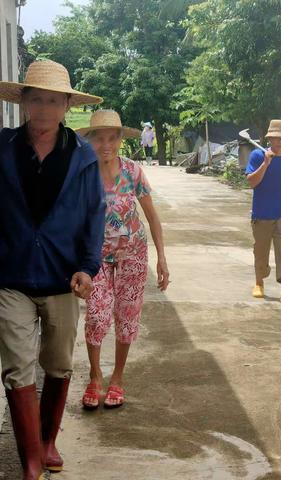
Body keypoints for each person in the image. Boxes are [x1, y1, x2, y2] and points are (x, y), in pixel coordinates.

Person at [0, 59, 104, 479]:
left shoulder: (82, 157)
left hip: (64, 278)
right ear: (24, 102)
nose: (44, 109)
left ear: (66, 106)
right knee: (17, 363)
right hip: (10, 276)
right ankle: (30, 463)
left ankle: (47, 440)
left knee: (58, 361)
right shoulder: (3, 148)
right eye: (36, 99)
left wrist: (88, 267)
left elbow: (93, 216)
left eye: (53, 101)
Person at [77, 110, 169, 409]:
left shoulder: (132, 172)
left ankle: (117, 377)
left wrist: (162, 258)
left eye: (112, 138)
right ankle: (94, 376)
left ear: (120, 140)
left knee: (127, 316)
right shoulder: (83, 174)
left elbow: (152, 217)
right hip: (96, 257)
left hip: (133, 254)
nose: (106, 144)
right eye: (99, 138)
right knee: (97, 314)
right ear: (89, 141)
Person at [245, 120, 281, 302]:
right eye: (277, 138)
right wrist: (265, 164)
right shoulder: (257, 156)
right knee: (261, 251)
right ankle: (259, 283)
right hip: (261, 214)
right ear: (270, 139)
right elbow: (252, 181)